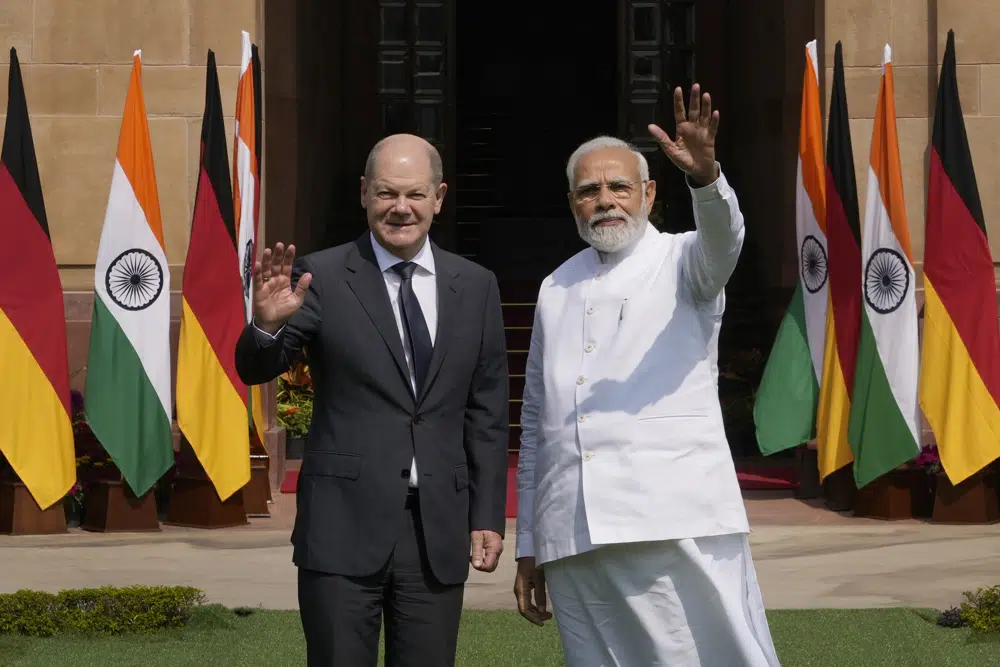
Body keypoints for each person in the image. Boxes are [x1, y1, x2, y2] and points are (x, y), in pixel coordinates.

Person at [512, 85, 781, 667]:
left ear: (649, 192)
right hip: (574, 533)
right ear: (571, 203)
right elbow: (536, 421)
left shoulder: (687, 260)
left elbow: (725, 237)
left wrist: (707, 179)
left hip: (674, 518)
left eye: (618, 186)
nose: (605, 200)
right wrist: (529, 544)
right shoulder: (554, 287)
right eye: (589, 191)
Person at [235, 133, 510, 667]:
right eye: (386, 193)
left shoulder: (475, 285)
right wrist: (266, 327)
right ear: (364, 194)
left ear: (439, 197)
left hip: (434, 532)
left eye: (414, 194)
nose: (400, 208)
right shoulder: (323, 275)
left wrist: (487, 515)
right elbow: (260, 365)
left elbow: (487, 414)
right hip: (342, 527)